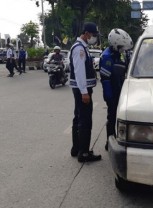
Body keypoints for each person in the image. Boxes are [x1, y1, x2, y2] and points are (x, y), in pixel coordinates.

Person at [69, 22, 101, 163]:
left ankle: (77, 148)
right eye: (93, 35)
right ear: (87, 33)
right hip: (82, 90)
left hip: (81, 89)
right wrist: (84, 92)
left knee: (78, 118)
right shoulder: (79, 49)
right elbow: (79, 71)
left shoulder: (82, 47)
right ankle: (84, 153)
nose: (94, 37)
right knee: (85, 121)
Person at [100, 28, 133, 151]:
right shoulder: (107, 57)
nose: (123, 50)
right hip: (112, 93)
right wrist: (109, 97)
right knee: (112, 117)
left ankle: (119, 139)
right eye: (121, 47)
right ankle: (109, 142)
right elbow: (105, 79)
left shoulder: (117, 54)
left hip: (120, 90)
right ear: (115, 44)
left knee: (120, 117)